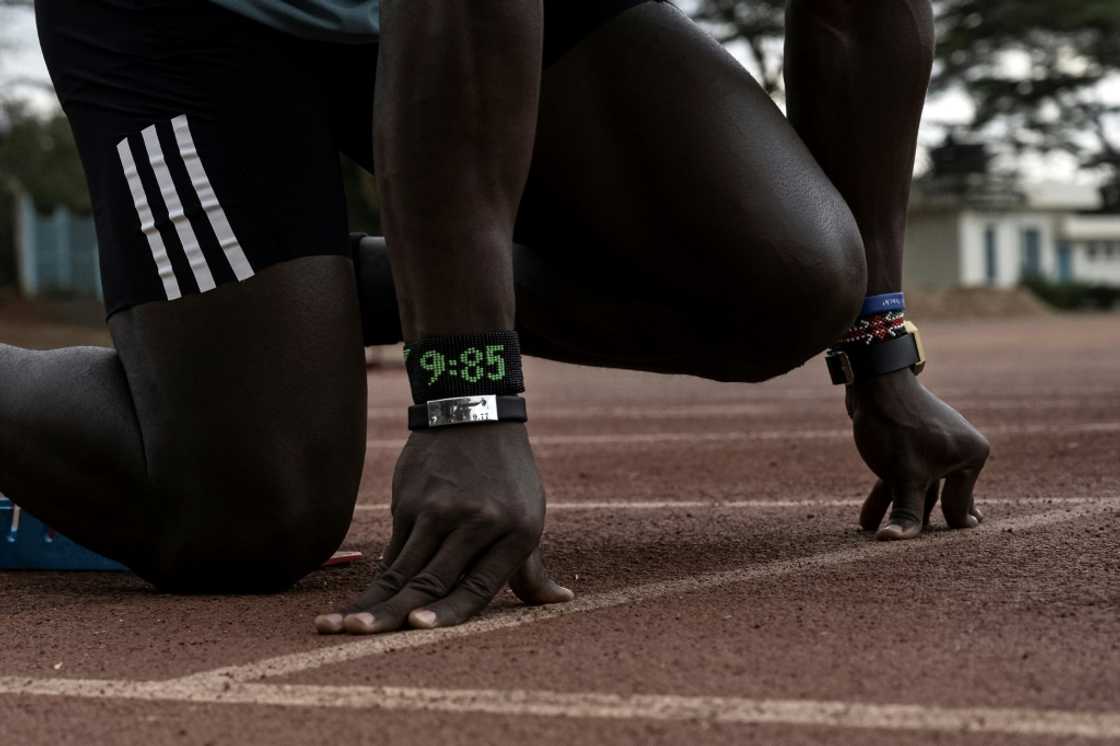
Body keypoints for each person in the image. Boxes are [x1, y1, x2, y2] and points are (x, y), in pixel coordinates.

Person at [3, 0, 988, 634]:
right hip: (199, 23)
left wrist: (876, 344)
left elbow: (859, 17)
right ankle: (219, 354)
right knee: (241, 522)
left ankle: (283, 312)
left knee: (785, 281)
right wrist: (468, 400)